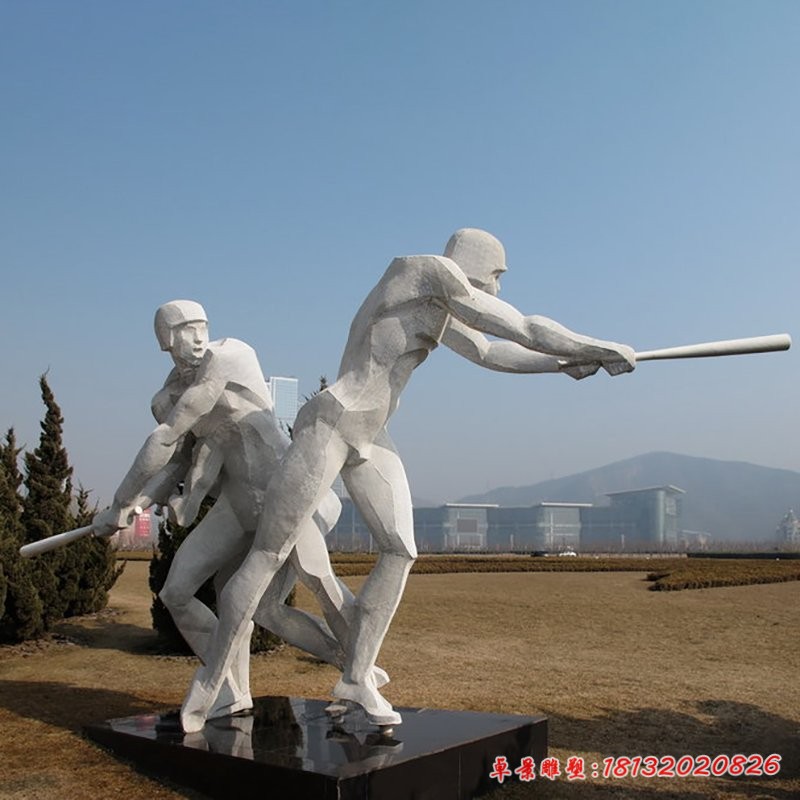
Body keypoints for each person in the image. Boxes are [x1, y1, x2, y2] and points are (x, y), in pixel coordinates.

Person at [180, 229, 636, 732]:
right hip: (330, 425)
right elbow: (522, 326)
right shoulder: (423, 271)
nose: (498, 287)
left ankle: (355, 677)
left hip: (371, 436)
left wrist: (562, 364)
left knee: (400, 550)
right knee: (267, 556)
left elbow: (490, 353)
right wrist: (598, 345)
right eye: (497, 274)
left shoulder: (440, 306)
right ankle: (212, 682)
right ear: (472, 261)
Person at [92, 300, 372, 719]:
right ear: (166, 339)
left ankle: (359, 674)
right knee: (177, 592)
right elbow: (175, 464)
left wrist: (119, 500)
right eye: (186, 330)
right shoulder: (166, 396)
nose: (198, 337)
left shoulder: (231, 356)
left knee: (305, 590)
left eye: (202, 326)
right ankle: (230, 687)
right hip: (238, 507)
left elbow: (166, 437)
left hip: (285, 496)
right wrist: (132, 506)